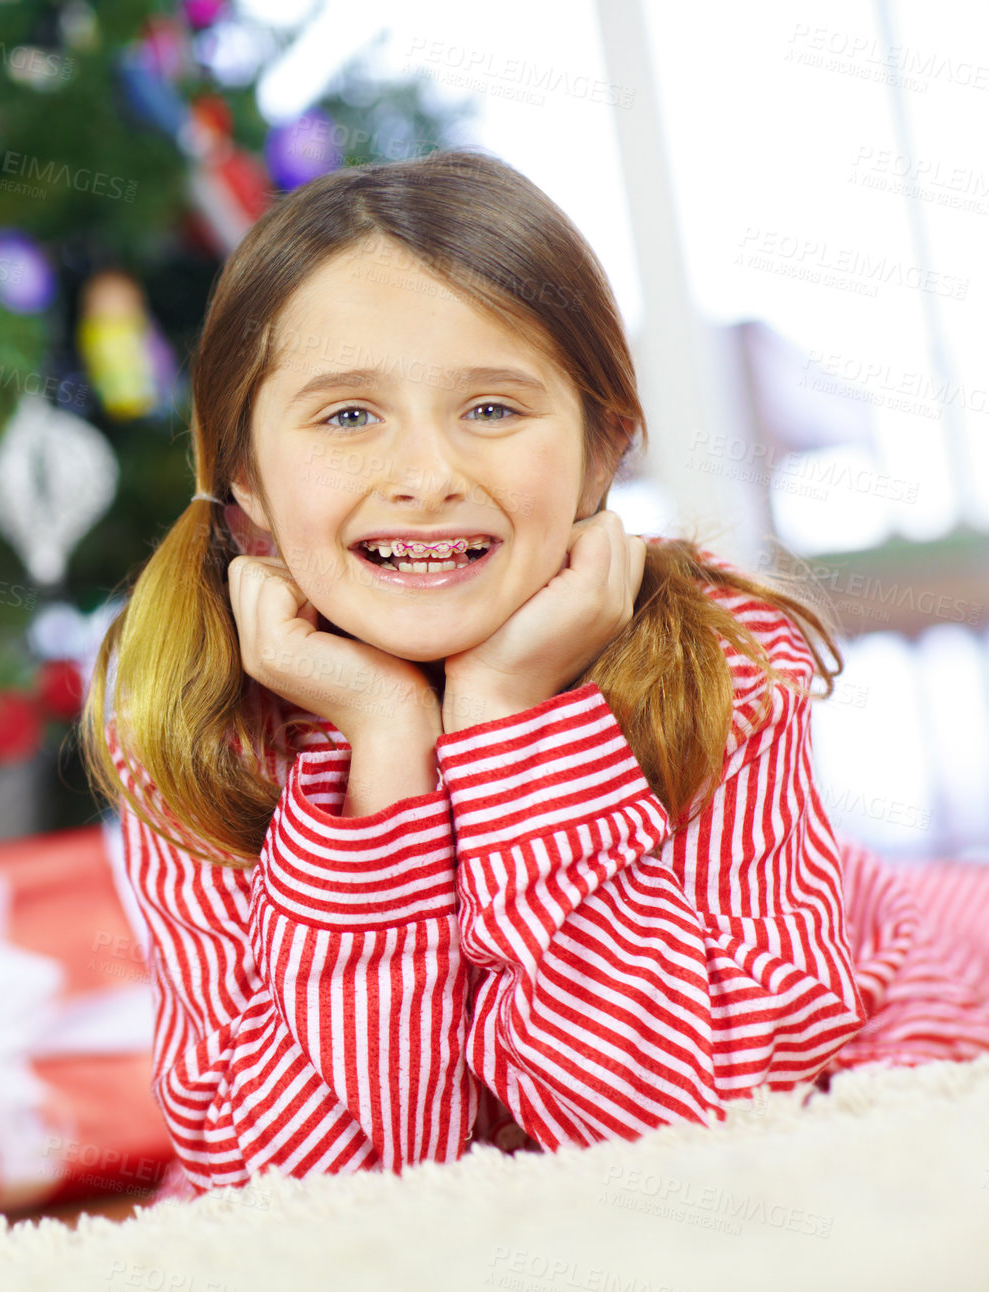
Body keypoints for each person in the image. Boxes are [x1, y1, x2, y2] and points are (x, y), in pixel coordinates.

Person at [77, 148, 989, 1199]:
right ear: (245, 474)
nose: (426, 477)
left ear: (604, 450)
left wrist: (508, 722)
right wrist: (385, 757)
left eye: (492, 410)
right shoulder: (203, 722)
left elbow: (681, 1118)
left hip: (909, 966)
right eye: (346, 415)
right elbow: (293, 1186)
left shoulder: (724, 662)